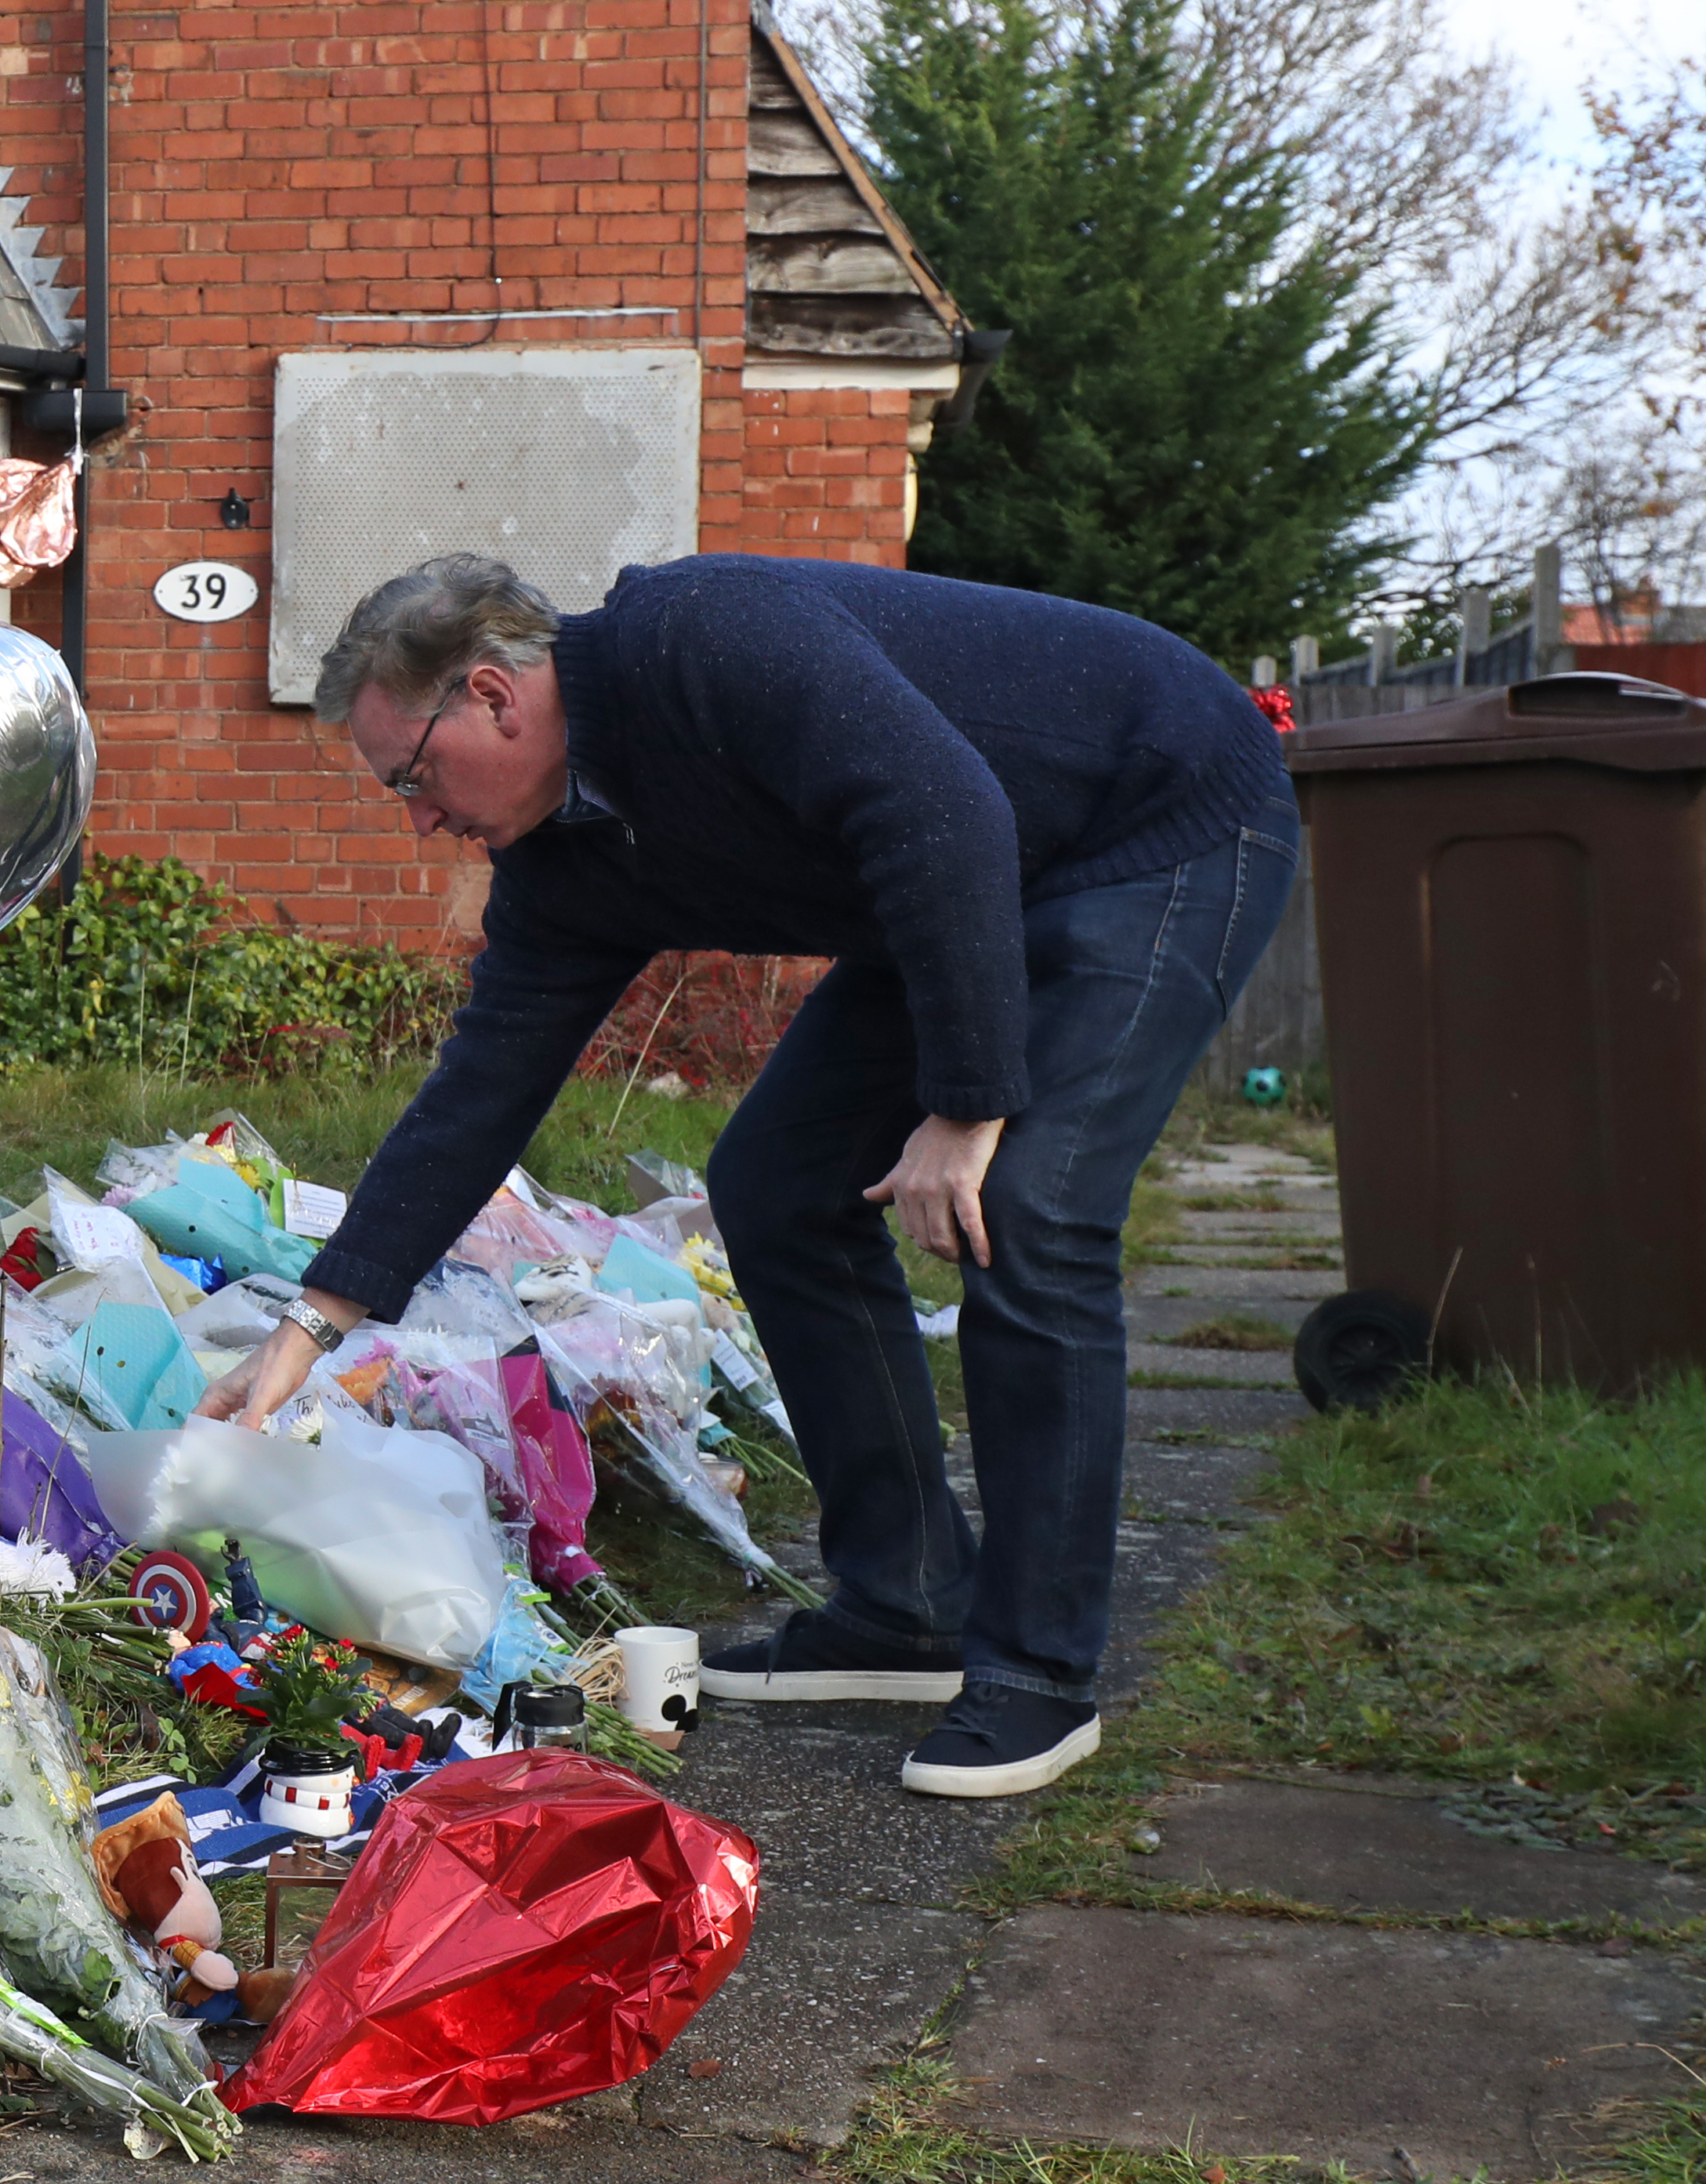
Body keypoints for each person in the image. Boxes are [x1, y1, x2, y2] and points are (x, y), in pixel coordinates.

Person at [201, 552, 1296, 1798]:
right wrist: (310, 1325)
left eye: (413, 776)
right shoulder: (565, 862)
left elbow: (944, 810)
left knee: (1031, 1204)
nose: (420, 819)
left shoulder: (701, 639)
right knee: (778, 1182)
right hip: (944, 881)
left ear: (493, 696)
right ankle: (908, 1603)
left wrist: (965, 1104)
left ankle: (1039, 1671)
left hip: (1153, 818)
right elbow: (479, 1092)